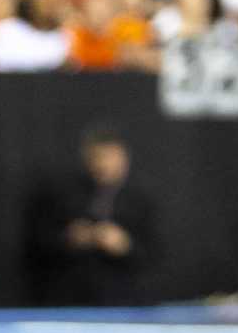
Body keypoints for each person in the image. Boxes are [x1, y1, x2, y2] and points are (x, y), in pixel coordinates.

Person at [32, 126, 158, 307]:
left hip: (125, 300)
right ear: (86, 158)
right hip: (72, 299)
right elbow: (39, 245)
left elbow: (155, 254)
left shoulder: (142, 200)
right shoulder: (63, 195)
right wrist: (70, 238)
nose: (103, 164)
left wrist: (124, 245)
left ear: (123, 158)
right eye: (97, 157)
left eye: (109, 156)